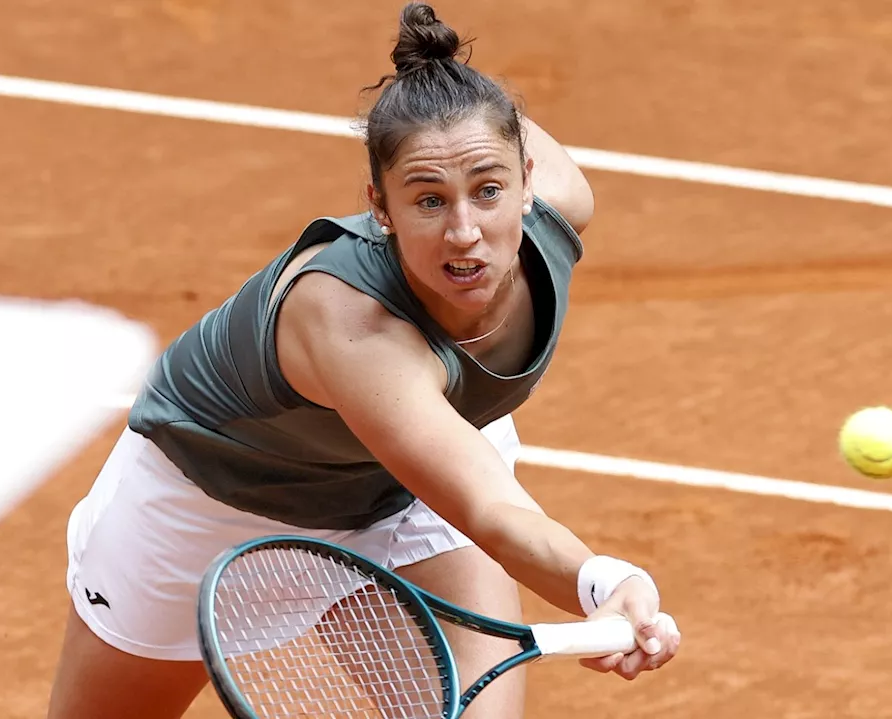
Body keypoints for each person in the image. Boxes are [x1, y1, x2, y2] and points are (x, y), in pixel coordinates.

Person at [45, 4, 681, 718]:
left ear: (530, 179)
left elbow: (465, 476)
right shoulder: (350, 322)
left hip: (412, 474)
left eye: (490, 189)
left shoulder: (560, 205)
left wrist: (434, 83)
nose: (465, 231)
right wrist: (604, 580)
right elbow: (489, 505)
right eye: (428, 199)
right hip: (210, 505)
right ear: (378, 206)